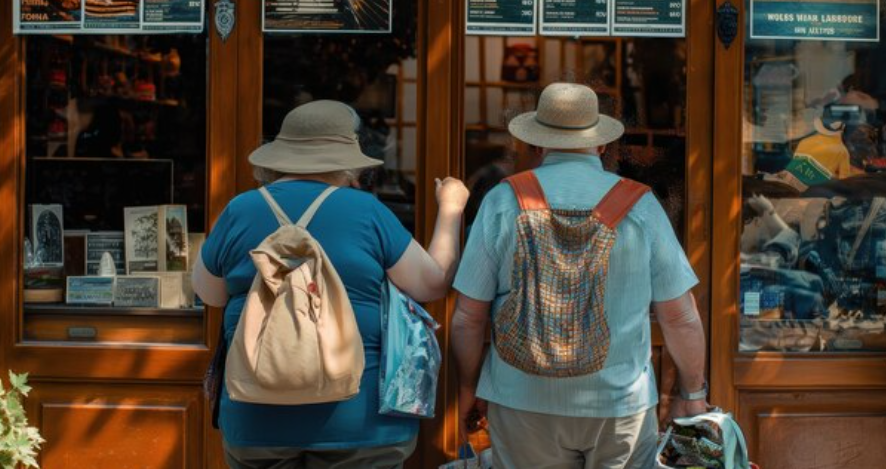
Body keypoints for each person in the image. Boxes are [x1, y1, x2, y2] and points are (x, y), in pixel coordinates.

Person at [192, 100, 469, 469]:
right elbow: (431, 284)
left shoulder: (240, 209)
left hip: (256, 421)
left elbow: (209, 294)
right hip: (362, 420)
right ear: (348, 160)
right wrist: (450, 210)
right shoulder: (366, 211)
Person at [450, 82, 710, 469]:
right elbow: (680, 316)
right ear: (602, 146)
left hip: (521, 400)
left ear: (537, 145)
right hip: (620, 405)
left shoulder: (503, 201)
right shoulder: (640, 205)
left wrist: (469, 387)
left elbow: (468, 316)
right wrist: (693, 392)